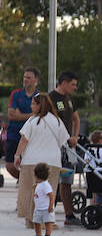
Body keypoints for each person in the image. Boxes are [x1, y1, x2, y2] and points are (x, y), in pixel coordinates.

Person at [16, 93, 69, 227]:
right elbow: (63, 141)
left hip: (31, 161)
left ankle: (30, 219)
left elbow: (24, 140)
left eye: (33, 103)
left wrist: (17, 155)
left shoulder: (32, 121)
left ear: (40, 105)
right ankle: (45, 221)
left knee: (30, 190)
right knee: (47, 191)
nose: (31, 106)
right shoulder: (57, 121)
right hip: (52, 161)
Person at [49, 71, 82, 226]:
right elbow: (51, 121)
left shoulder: (69, 99)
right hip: (54, 146)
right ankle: (47, 213)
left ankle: (69, 216)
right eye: (73, 84)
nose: (75, 87)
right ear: (63, 83)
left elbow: (76, 118)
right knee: (51, 180)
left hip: (68, 147)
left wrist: (74, 136)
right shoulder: (51, 98)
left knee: (67, 180)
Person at [4, 67, 40, 180]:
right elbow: (11, 115)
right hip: (14, 134)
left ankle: (28, 181)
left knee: (30, 164)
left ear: (36, 80)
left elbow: (40, 115)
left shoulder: (40, 96)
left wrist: (19, 115)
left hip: (32, 136)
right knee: (10, 165)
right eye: (24, 77)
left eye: (28, 77)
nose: (25, 80)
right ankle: (24, 179)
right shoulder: (16, 94)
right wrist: (31, 115)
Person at [29, 163, 56, 236]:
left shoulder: (45, 185)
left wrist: (51, 206)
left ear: (36, 175)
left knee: (48, 222)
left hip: (46, 208)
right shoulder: (40, 184)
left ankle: (48, 235)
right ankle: (38, 234)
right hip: (38, 208)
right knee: (36, 221)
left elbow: (51, 195)